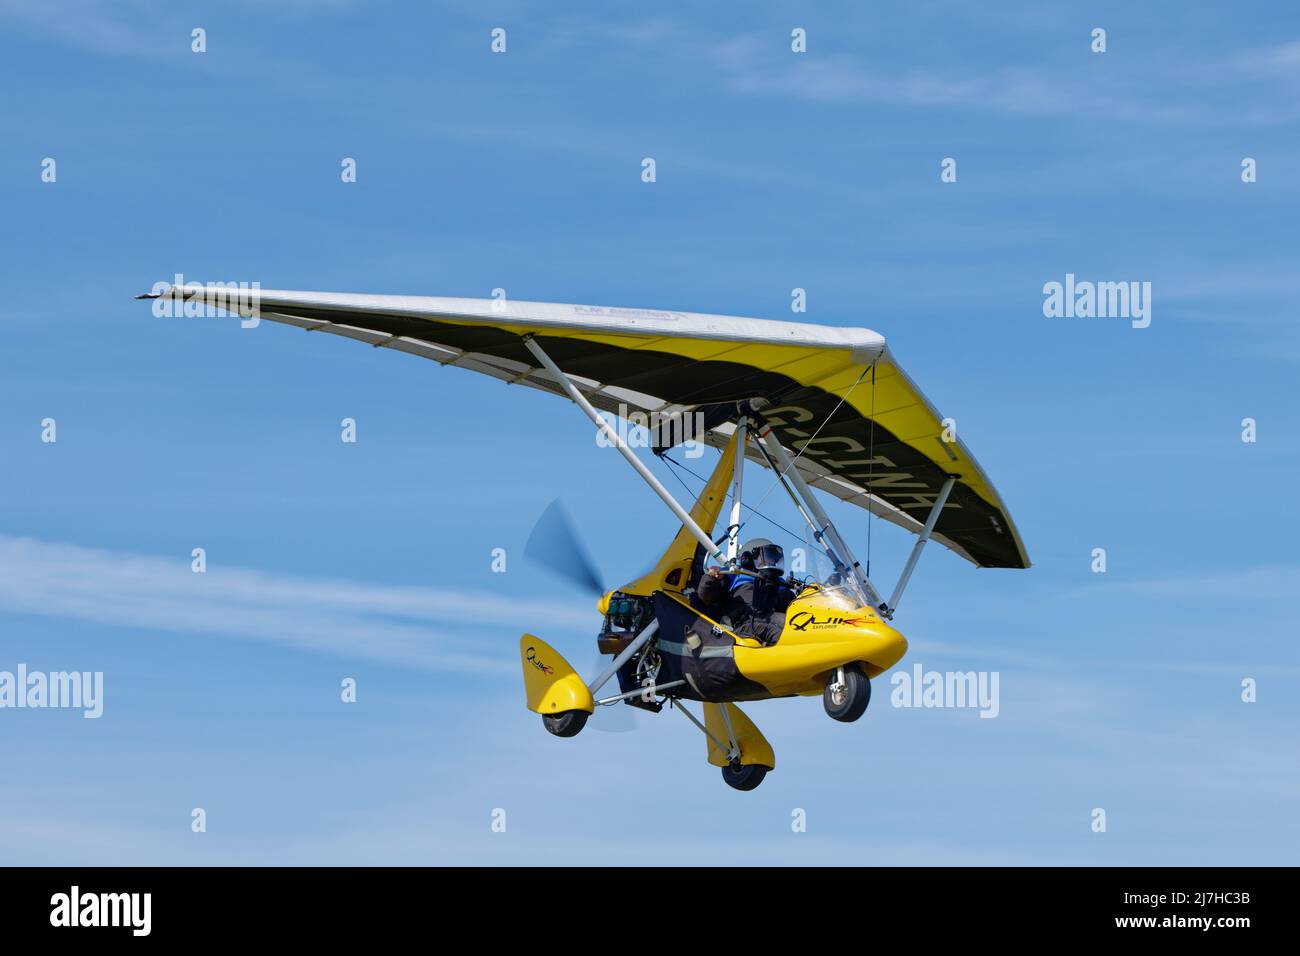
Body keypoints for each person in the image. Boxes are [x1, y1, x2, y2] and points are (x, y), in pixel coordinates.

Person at [695, 537, 794, 645]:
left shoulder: (779, 582)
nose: (772, 562)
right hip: (743, 624)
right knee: (783, 629)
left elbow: (792, 603)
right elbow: (706, 595)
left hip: (769, 618)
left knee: (795, 624)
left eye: (774, 559)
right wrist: (711, 578)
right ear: (751, 558)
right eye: (769, 557)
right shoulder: (734, 574)